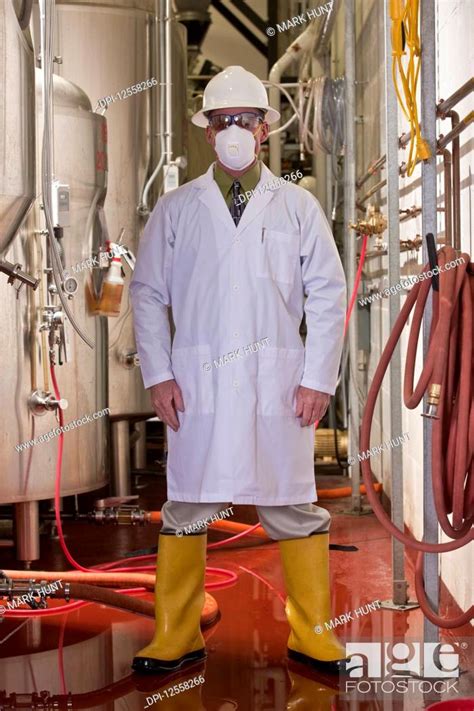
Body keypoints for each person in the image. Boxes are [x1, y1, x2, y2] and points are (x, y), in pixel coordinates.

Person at [129, 65, 348, 675]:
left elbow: (328, 295)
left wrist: (318, 377)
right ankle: (177, 633)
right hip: (196, 384)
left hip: (277, 387)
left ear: (265, 129)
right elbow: (146, 294)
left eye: (244, 121)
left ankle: (311, 634)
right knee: (187, 507)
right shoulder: (177, 209)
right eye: (221, 121)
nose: (233, 132)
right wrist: (159, 374)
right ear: (206, 132)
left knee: (293, 507)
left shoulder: (298, 206)